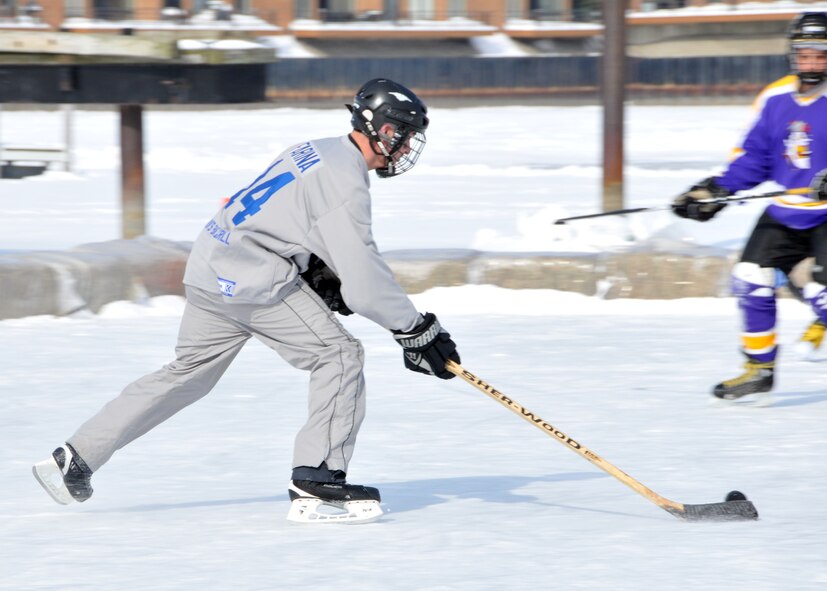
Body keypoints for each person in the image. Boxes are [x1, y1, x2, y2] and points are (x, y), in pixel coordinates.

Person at [32, 78, 461, 524]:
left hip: (211, 267)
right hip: (254, 281)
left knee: (187, 373)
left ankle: (76, 457)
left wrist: (316, 271)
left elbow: (285, 216)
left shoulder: (314, 149)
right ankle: (319, 482)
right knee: (339, 354)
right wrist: (415, 330)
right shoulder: (346, 182)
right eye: (405, 134)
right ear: (382, 130)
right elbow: (365, 280)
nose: (409, 145)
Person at [672, 11, 827, 403]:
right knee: (749, 276)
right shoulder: (775, 99)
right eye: (803, 54)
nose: (810, 63)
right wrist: (713, 192)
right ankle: (759, 368)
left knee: (821, 292)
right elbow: (755, 157)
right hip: (787, 209)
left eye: (820, 55)